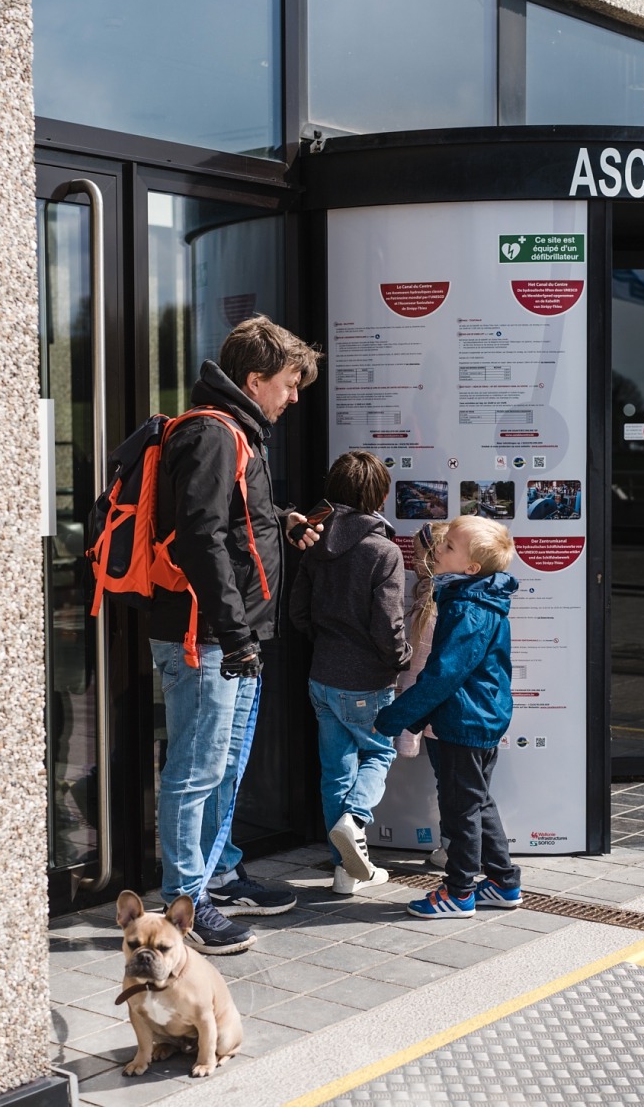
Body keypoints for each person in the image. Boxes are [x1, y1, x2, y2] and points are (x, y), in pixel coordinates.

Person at [148, 314, 322, 953]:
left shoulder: (237, 434)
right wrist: (235, 631)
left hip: (229, 635)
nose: (295, 395)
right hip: (206, 637)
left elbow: (231, 518)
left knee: (219, 765)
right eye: (288, 382)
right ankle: (183, 909)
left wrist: (284, 521)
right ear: (254, 379)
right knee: (196, 769)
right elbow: (200, 537)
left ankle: (218, 874)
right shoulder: (215, 435)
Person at [373, 515, 522, 919]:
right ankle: (504, 882)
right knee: (476, 802)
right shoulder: (470, 598)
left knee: (460, 811)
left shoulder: (469, 610)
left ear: (471, 568)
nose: (439, 549)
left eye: (450, 547)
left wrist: (394, 718)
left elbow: (443, 676)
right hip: (473, 719)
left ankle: (458, 892)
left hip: (464, 723)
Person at [289, 451, 411, 896]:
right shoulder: (384, 551)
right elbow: (388, 624)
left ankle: (345, 872)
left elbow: (298, 610)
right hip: (368, 680)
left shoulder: (314, 545)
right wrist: (402, 657)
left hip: (322, 675)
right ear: (380, 496)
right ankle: (355, 820)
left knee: (335, 772)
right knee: (379, 753)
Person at [398, 521, 449, 867]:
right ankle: (453, 847)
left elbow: (413, 672)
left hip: (433, 712)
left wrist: (408, 732)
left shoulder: (425, 605)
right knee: (457, 786)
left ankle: (454, 848)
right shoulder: (448, 601)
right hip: (454, 712)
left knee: (449, 784)